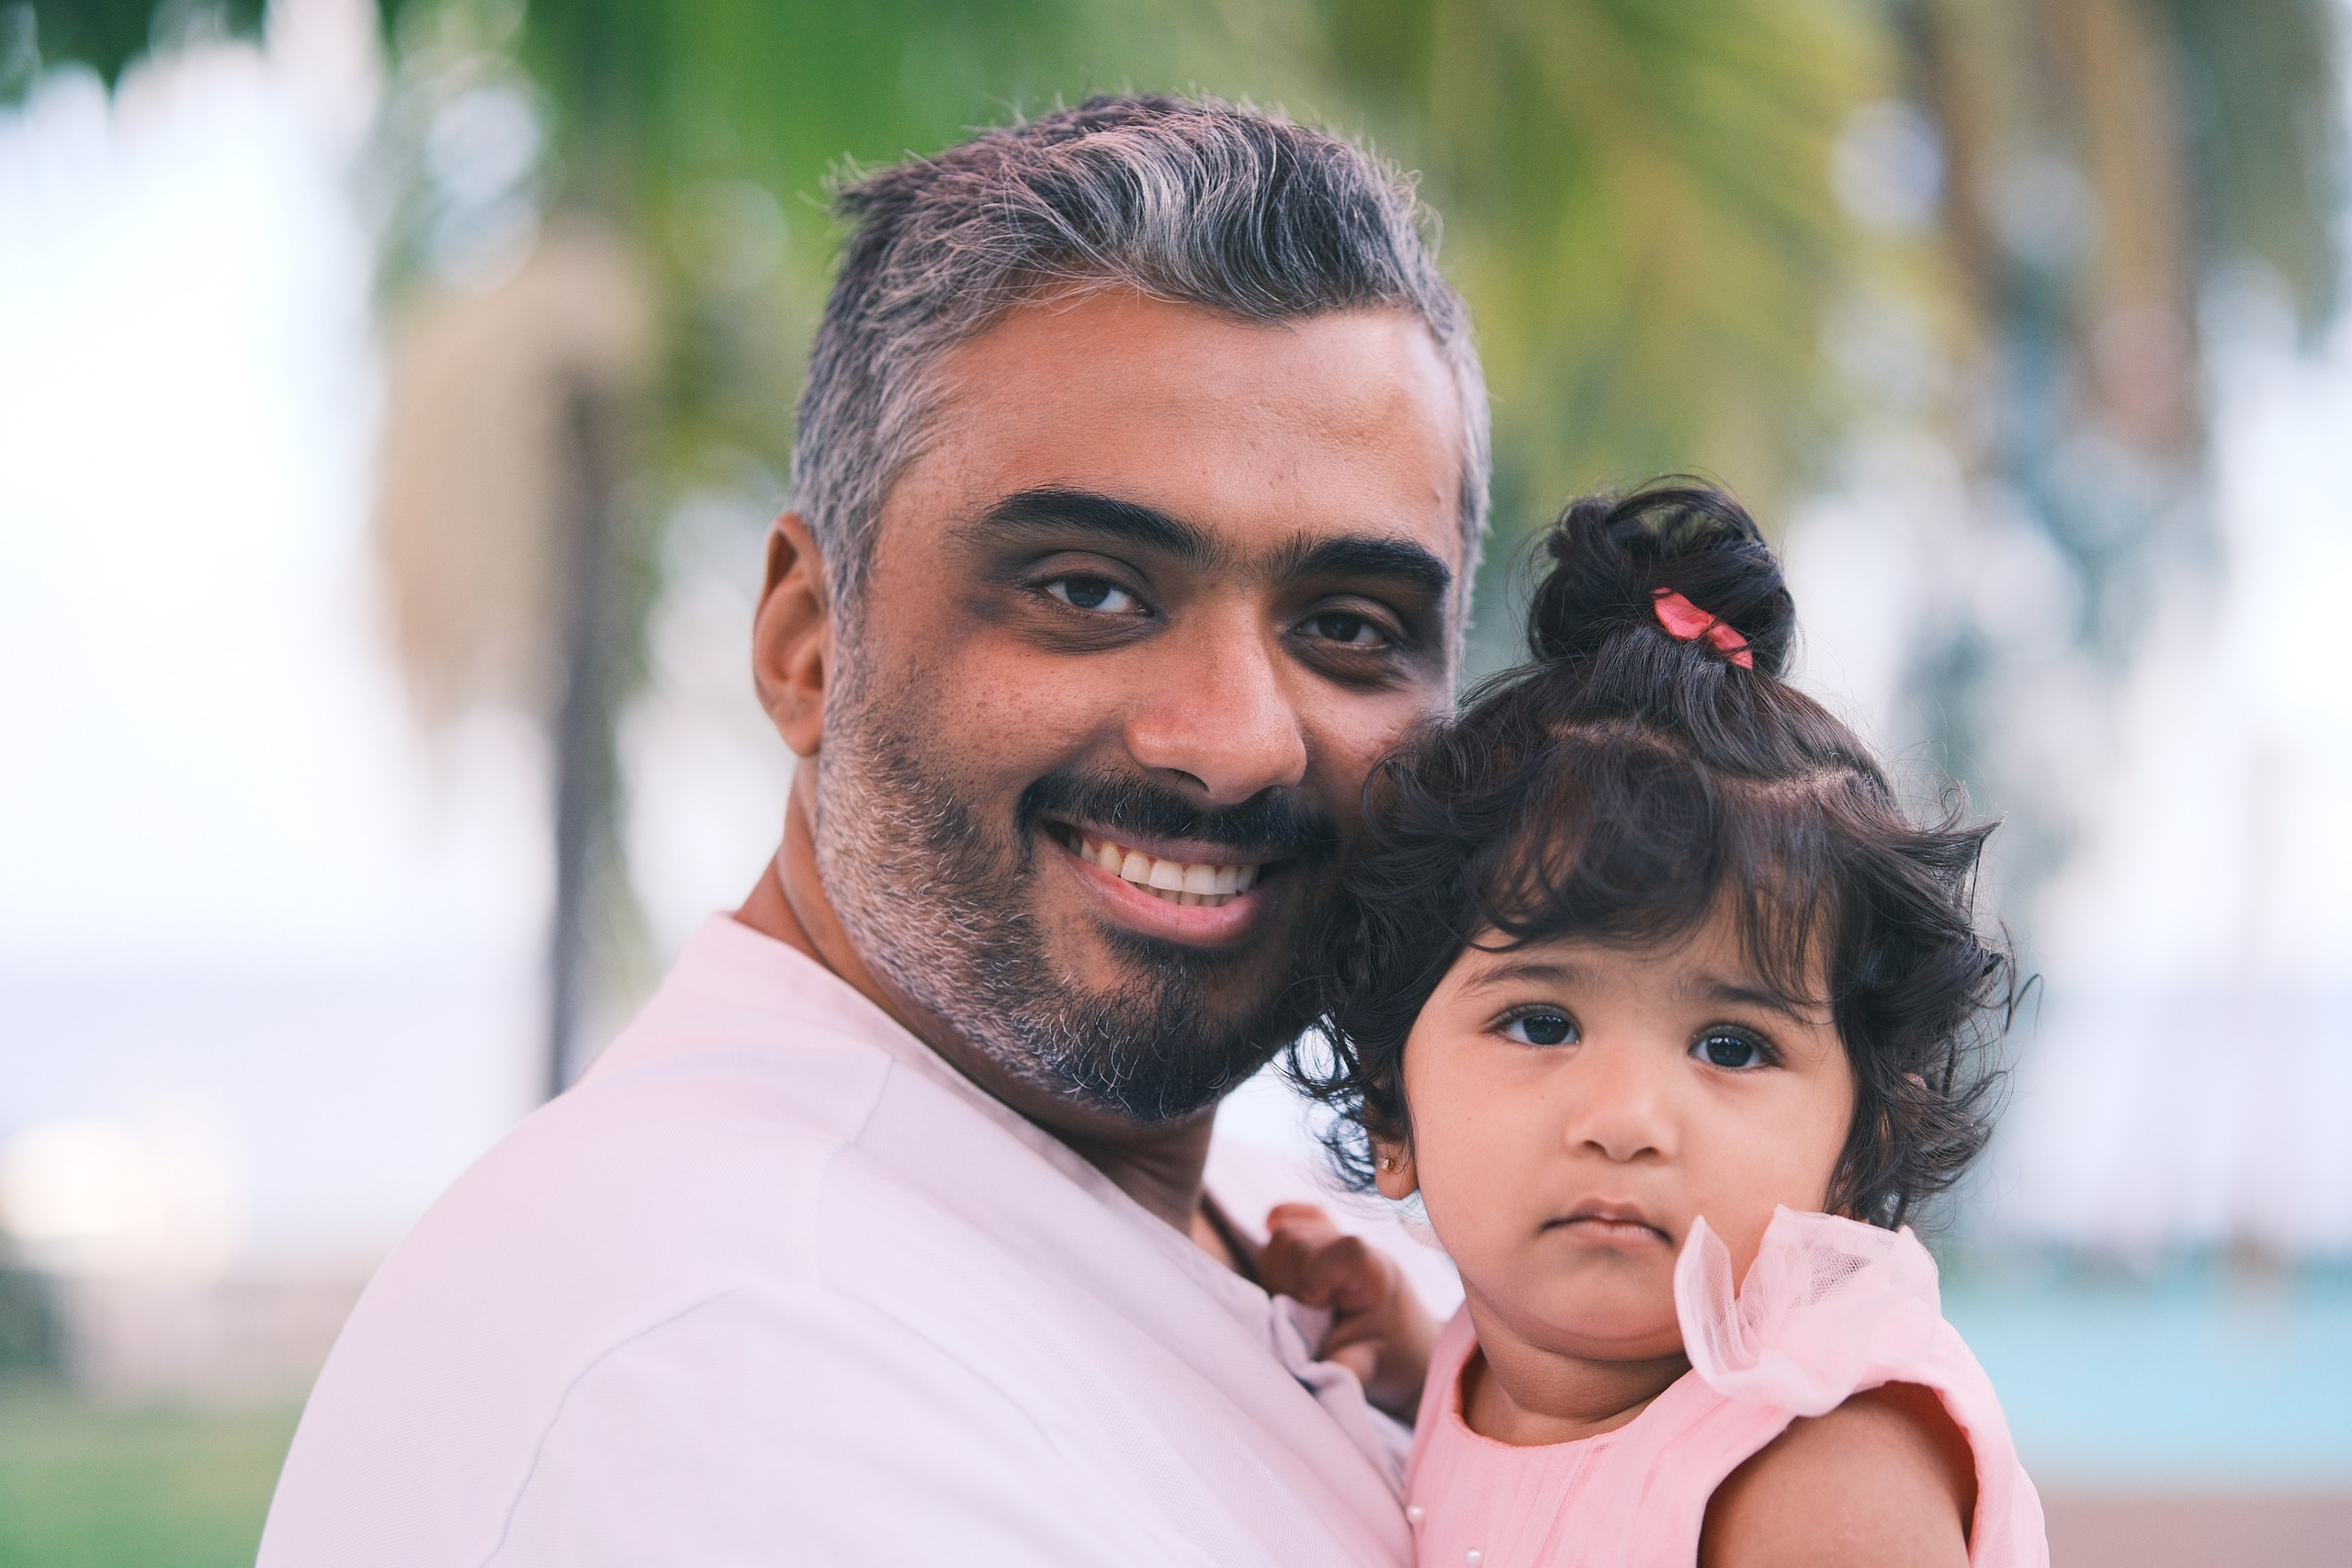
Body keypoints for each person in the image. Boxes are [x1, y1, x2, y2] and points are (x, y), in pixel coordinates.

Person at [259, 96, 1484, 1565]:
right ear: (804, 641)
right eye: (1091, 589)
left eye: (1349, 626)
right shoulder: (725, 1353)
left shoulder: (1282, 1245)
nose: (1232, 742)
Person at [1272, 485, 2050, 1566]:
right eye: (1541, 1023)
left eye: (1731, 1046)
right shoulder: (1506, 1360)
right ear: (1388, 1107)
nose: (1626, 1119)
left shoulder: (1823, 1473)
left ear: (1856, 1147)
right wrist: (1416, 1365)